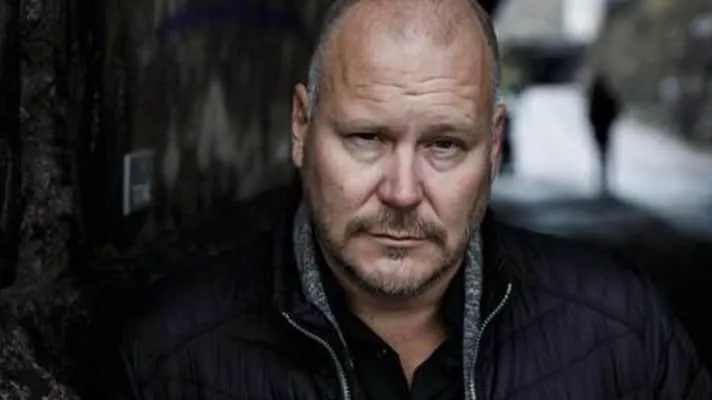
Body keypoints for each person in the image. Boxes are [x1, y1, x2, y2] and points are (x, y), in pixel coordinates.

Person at [117, 0, 711, 398]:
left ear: (494, 146)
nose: (402, 192)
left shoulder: (621, 334)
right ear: (301, 127)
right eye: (367, 138)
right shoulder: (170, 357)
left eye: (444, 145)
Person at [587, 71, 621, 197]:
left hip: (601, 128)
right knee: (604, 154)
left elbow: (591, 114)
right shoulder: (600, 96)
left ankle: (603, 180)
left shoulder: (596, 96)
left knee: (602, 154)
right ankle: (603, 180)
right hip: (603, 128)